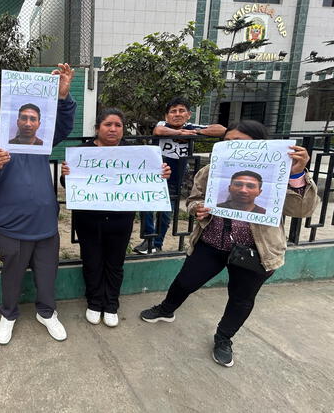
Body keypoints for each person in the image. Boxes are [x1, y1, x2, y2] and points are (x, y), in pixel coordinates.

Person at [140, 120, 318, 367]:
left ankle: (224, 338)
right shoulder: (211, 171)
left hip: (256, 250)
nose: (232, 147)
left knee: (241, 298)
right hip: (212, 243)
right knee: (185, 281)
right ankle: (166, 309)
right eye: (227, 143)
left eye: (240, 143)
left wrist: (297, 175)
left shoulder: (280, 173)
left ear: (261, 146)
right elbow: (193, 199)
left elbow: (301, 209)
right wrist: (197, 208)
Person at [0, 63, 76, 345]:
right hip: (9, 227)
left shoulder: (43, 141)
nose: (27, 122)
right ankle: (8, 314)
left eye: (33, 118)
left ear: (38, 121)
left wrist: (63, 97)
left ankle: (47, 312)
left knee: (47, 273)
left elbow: (64, 125)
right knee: (12, 275)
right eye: (22, 116)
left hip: (45, 224)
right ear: (10, 115)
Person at [60, 108, 171, 327]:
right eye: (108, 124)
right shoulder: (82, 152)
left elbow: (147, 181)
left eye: (118, 125)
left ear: (122, 129)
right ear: (97, 128)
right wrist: (67, 176)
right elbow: (68, 186)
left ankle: (111, 305)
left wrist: (161, 175)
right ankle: (94, 302)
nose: (113, 129)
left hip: (121, 219)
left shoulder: (135, 154)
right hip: (88, 220)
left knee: (115, 263)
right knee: (91, 262)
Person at [134, 97, 226, 254]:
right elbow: (158, 131)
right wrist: (179, 132)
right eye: (173, 111)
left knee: (166, 211)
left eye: (181, 110)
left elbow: (222, 129)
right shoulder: (163, 125)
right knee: (147, 207)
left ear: (189, 114)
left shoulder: (192, 127)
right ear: (166, 116)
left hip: (176, 178)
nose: (177, 114)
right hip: (156, 176)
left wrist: (195, 133)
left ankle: (157, 243)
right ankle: (148, 239)